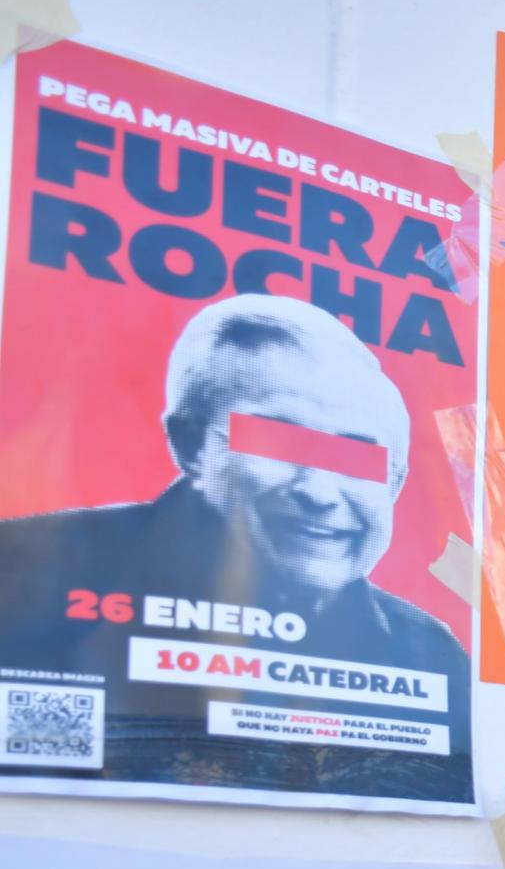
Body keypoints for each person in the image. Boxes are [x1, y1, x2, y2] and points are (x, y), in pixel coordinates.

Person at [0, 293, 469, 799]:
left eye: (357, 460)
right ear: (190, 444)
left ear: (395, 484)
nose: (319, 493)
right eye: (277, 443)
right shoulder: (28, 574)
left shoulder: (430, 653)